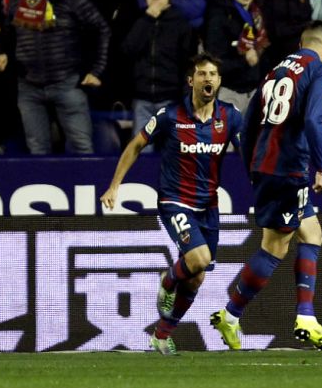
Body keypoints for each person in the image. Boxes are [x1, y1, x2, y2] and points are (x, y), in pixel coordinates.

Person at [210, 21, 322, 355]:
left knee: (312, 233)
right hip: (289, 168)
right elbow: (315, 120)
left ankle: (303, 315)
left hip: (266, 166)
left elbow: (248, 122)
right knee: (275, 248)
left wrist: (252, 168)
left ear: (301, 43)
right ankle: (237, 314)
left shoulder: (276, 71)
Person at [100, 53, 242, 355]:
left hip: (208, 206)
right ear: (191, 80)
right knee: (199, 259)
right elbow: (136, 144)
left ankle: (161, 335)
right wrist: (114, 186)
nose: (208, 79)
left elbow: (250, 154)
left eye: (213, 74)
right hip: (174, 201)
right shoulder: (169, 116)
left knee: (196, 277)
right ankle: (166, 281)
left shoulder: (230, 116)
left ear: (219, 81)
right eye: (202, 74)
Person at [0, 0, 111, 154]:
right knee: (37, 151)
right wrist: (2, 51)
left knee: (81, 148)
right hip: (29, 87)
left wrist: (96, 70)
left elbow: (102, 29)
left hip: (66, 84)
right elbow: (9, 35)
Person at [121, 0, 193, 153]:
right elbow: (127, 51)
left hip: (171, 100)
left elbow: (189, 63)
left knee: (175, 152)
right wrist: (146, 21)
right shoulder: (139, 21)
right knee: (140, 152)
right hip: (142, 100)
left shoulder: (181, 24)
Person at [204, 0, 269, 114]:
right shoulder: (219, 18)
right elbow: (214, 63)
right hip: (229, 93)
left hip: (254, 91)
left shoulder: (257, 15)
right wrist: (244, 61)